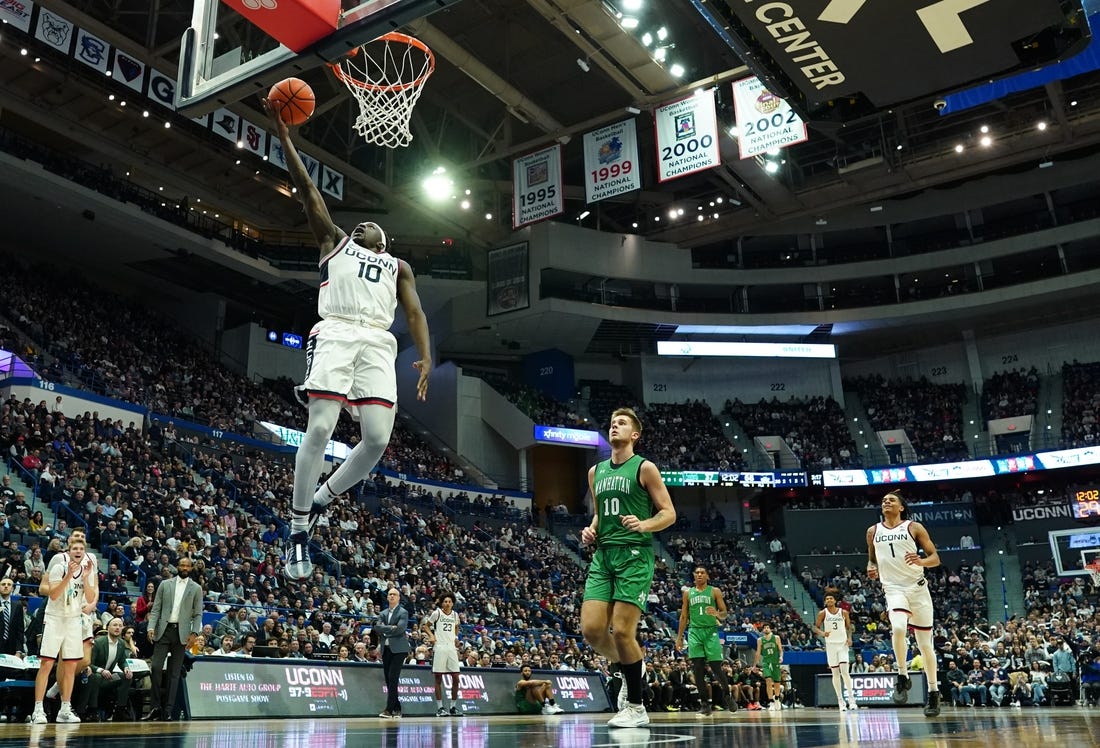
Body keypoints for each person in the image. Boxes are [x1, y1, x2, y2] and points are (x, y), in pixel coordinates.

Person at [262, 98, 432, 582]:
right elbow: (308, 191)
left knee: (377, 439)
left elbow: (415, 312)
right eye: (357, 224)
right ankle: (297, 531)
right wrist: (286, 139)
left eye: (369, 226)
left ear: (385, 241)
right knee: (319, 429)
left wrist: (425, 356)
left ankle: (320, 499)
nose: (360, 225)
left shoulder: (398, 267)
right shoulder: (334, 242)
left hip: (379, 342)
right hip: (336, 330)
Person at [579, 408, 676, 729]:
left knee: (621, 631)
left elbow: (669, 513)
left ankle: (636, 705)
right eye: (611, 423)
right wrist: (591, 528)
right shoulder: (595, 472)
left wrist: (644, 524)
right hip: (603, 555)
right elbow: (600, 513)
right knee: (592, 631)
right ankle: (631, 664)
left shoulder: (645, 468)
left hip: (634, 554)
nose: (614, 426)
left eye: (622, 423)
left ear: (635, 434)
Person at [866, 490, 942, 717]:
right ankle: (902, 675)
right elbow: (872, 558)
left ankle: (933, 692)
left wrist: (921, 561)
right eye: (883, 501)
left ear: (901, 507)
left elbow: (935, 558)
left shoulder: (914, 527)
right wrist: (871, 567)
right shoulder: (873, 531)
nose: (886, 502)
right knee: (898, 628)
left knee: (925, 645)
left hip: (918, 589)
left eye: (891, 500)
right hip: (893, 588)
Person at [31, 537, 97, 724]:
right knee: (47, 664)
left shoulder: (86, 571)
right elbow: (53, 594)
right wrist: (68, 575)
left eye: (81, 549)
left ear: (84, 552)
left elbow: (91, 598)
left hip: (74, 621)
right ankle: (38, 709)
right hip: (55, 619)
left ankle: (65, 709)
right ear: (68, 552)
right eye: (74, 548)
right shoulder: (59, 568)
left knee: (70, 666)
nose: (78, 551)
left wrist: (85, 578)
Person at [145, 556, 203, 721]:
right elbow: (156, 609)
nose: (184, 568)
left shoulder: (196, 588)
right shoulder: (165, 584)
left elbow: (198, 614)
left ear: (191, 568)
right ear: (177, 567)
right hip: (163, 631)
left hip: (182, 634)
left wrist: (194, 634)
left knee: (174, 674)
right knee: (156, 668)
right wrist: (151, 627)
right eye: (182, 565)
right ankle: (155, 708)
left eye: (187, 566)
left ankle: (168, 710)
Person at [675, 565, 733, 716]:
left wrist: (717, 614)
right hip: (694, 632)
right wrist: (679, 637)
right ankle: (705, 703)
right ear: (694, 576)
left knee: (715, 667)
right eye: (697, 573)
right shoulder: (688, 593)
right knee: (698, 669)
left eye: (702, 573)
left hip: (711, 631)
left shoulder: (715, 591)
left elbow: (725, 613)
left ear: (707, 576)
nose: (699, 575)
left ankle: (727, 695)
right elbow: (683, 616)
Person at [73, 617, 133, 722]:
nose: (117, 628)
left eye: (120, 625)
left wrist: (126, 668)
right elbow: (88, 663)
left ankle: (120, 710)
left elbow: (122, 661)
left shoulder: (122, 643)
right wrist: (101, 670)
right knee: (96, 677)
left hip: (108, 678)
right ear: (108, 627)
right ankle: (92, 711)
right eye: (114, 625)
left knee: (125, 677)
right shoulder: (98, 642)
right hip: (93, 675)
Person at [813, 587, 858, 711]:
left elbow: (849, 627)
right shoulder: (822, 613)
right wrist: (822, 633)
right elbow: (815, 627)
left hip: (842, 644)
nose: (829, 600)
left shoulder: (843, 612)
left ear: (835, 600)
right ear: (825, 601)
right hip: (831, 645)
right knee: (835, 673)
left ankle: (852, 699)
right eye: (827, 599)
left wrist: (849, 638)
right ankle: (840, 700)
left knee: (845, 672)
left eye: (831, 598)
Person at [422, 591, 462, 717]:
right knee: (438, 677)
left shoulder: (455, 615)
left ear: (453, 603)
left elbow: (456, 627)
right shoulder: (437, 613)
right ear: (442, 602)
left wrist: (455, 637)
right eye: (445, 601)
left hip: (451, 648)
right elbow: (426, 626)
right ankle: (440, 708)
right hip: (439, 647)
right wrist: (432, 635)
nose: (447, 603)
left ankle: (453, 707)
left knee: (456, 677)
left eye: (450, 601)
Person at [375, 588, 410, 719]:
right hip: (386, 648)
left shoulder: (403, 612)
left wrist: (385, 629)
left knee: (393, 677)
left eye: (394, 594)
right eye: (390, 594)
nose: (391, 596)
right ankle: (397, 707)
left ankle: (389, 710)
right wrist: (391, 628)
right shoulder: (383, 613)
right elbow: (377, 627)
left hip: (399, 649)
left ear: (399, 597)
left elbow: (400, 629)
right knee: (388, 679)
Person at [753, 623, 784, 711]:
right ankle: (771, 702)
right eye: (765, 628)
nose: (766, 629)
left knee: (777, 683)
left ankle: (777, 699)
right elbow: (758, 653)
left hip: (775, 662)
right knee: (768, 680)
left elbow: (781, 650)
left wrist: (781, 657)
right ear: (762, 630)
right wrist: (754, 665)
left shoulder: (776, 638)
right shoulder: (760, 640)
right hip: (766, 662)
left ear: (770, 629)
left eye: (768, 627)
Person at [0, 577, 26, 657]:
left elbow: (20, 631)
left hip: (11, 648)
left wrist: (19, 651)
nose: (6, 586)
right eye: (3, 584)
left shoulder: (18, 606)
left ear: (12, 589)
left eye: (9, 584)